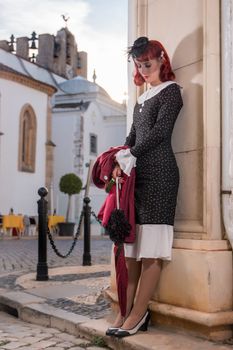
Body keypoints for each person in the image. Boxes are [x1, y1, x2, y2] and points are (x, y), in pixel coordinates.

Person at [106, 37, 183, 338]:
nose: (143, 70)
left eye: (147, 64)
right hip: (137, 178)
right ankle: (125, 311)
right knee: (130, 251)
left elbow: (161, 132)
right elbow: (132, 136)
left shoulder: (172, 93)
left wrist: (130, 155)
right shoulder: (141, 98)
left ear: (162, 60)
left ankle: (138, 315)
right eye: (139, 65)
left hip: (162, 175)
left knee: (150, 252)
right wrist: (118, 161)